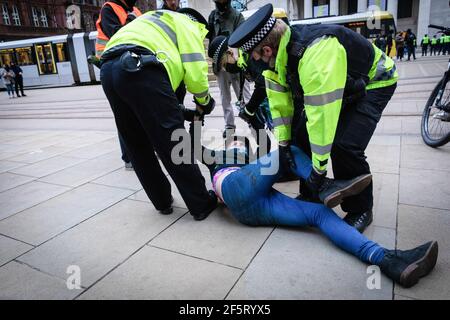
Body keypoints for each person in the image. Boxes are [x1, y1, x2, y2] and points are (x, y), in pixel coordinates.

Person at [186, 116, 439, 289]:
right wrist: (195, 113)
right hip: (234, 187)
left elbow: (270, 169)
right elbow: (192, 147)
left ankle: (387, 260)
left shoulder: (252, 160)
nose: (238, 142)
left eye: (241, 141)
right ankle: (326, 186)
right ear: (227, 143)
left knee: (318, 213)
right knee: (290, 152)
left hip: (250, 210)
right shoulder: (217, 157)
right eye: (235, 141)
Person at [229, 4, 398, 233]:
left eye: (253, 55)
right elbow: (281, 106)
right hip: (346, 86)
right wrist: (284, 143)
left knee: (345, 145)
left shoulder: (315, 54)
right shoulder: (278, 60)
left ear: (267, 50)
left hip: (375, 82)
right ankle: (312, 195)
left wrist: (318, 169)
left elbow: (322, 116)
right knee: (299, 135)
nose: (252, 61)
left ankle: (360, 209)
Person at [100, 8, 217, 220]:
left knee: (136, 143)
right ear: (200, 27)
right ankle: (201, 203)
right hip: (141, 66)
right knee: (173, 139)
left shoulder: (153, 20)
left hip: (108, 69)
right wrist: (204, 101)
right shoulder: (188, 24)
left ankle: (162, 201)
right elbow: (195, 69)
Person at [95, 0, 142, 171]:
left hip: (135, 64)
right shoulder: (109, 9)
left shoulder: (136, 10)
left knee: (141, 112)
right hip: (114, 68)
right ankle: (129, 157)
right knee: (124, 115)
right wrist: (130, 22)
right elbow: (116, 36)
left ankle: (145, 150)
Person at [208, 0, 251, 138]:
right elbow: (210, 39)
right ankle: (229, 125)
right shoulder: (212, 16)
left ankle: (253, 120)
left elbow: (243, 38)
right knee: (224, 97)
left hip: (235, 62)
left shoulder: (237, 16)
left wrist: (236, 58)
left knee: (245, 97)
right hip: (220, 65)